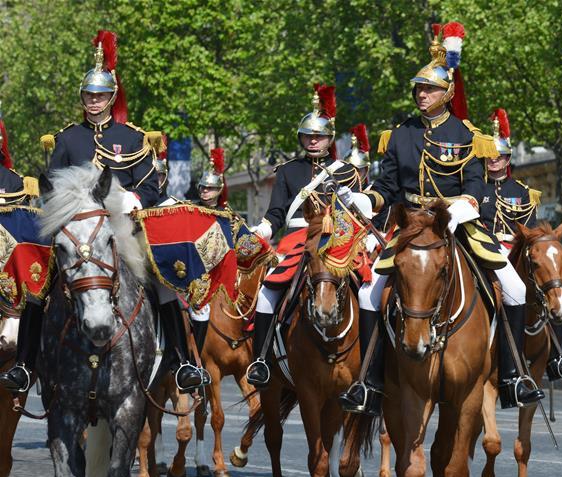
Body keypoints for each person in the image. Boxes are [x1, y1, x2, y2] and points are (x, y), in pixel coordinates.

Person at [338, 22, 546, 415]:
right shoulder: (400, 134)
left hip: (455, 222)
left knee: (515, 287)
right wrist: (367, 201)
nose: (421, 94)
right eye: (418, 89)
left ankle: (514, 378)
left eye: (429, 89)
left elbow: (477, 185)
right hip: (410, 224)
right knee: (369, 294)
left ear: (447, 92)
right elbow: (387, 185)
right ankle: (370, 381)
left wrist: (465, 205)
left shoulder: (467, 134)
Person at [0, 31, 204, 393]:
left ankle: (181, 359)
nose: (94, 102)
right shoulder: (67, 139)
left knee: (161, 279)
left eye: (100, 96)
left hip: (122, 225)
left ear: (111, 98)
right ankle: (26, 365)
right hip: (76, 228)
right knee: (38, 281)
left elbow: (151, 184)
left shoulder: (132, 138)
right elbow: (50, 184)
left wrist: (135, 200)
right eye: (89, 96)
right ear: (83, 98)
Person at [244, 85, 361, 387]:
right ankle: (259, 361)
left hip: (338, 240)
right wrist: (264, 229)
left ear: (329, 139)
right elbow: (276, 212)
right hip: (297, 238)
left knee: (368, 287)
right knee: (268, 293)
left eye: (319, 136)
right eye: (308, 136)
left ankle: (374, 363)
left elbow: (357, 214)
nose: (313, 141)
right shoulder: (287, 171)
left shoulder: (347, 172)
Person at [479, 107, 562, 381]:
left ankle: (556, 357)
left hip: (515, 248)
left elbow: (531, 228)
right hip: (484, 247)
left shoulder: (521, 192)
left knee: (548, 288)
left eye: (499, 156)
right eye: (489, 157)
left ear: (508, 158)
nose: (494, 161)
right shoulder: (477, 189)